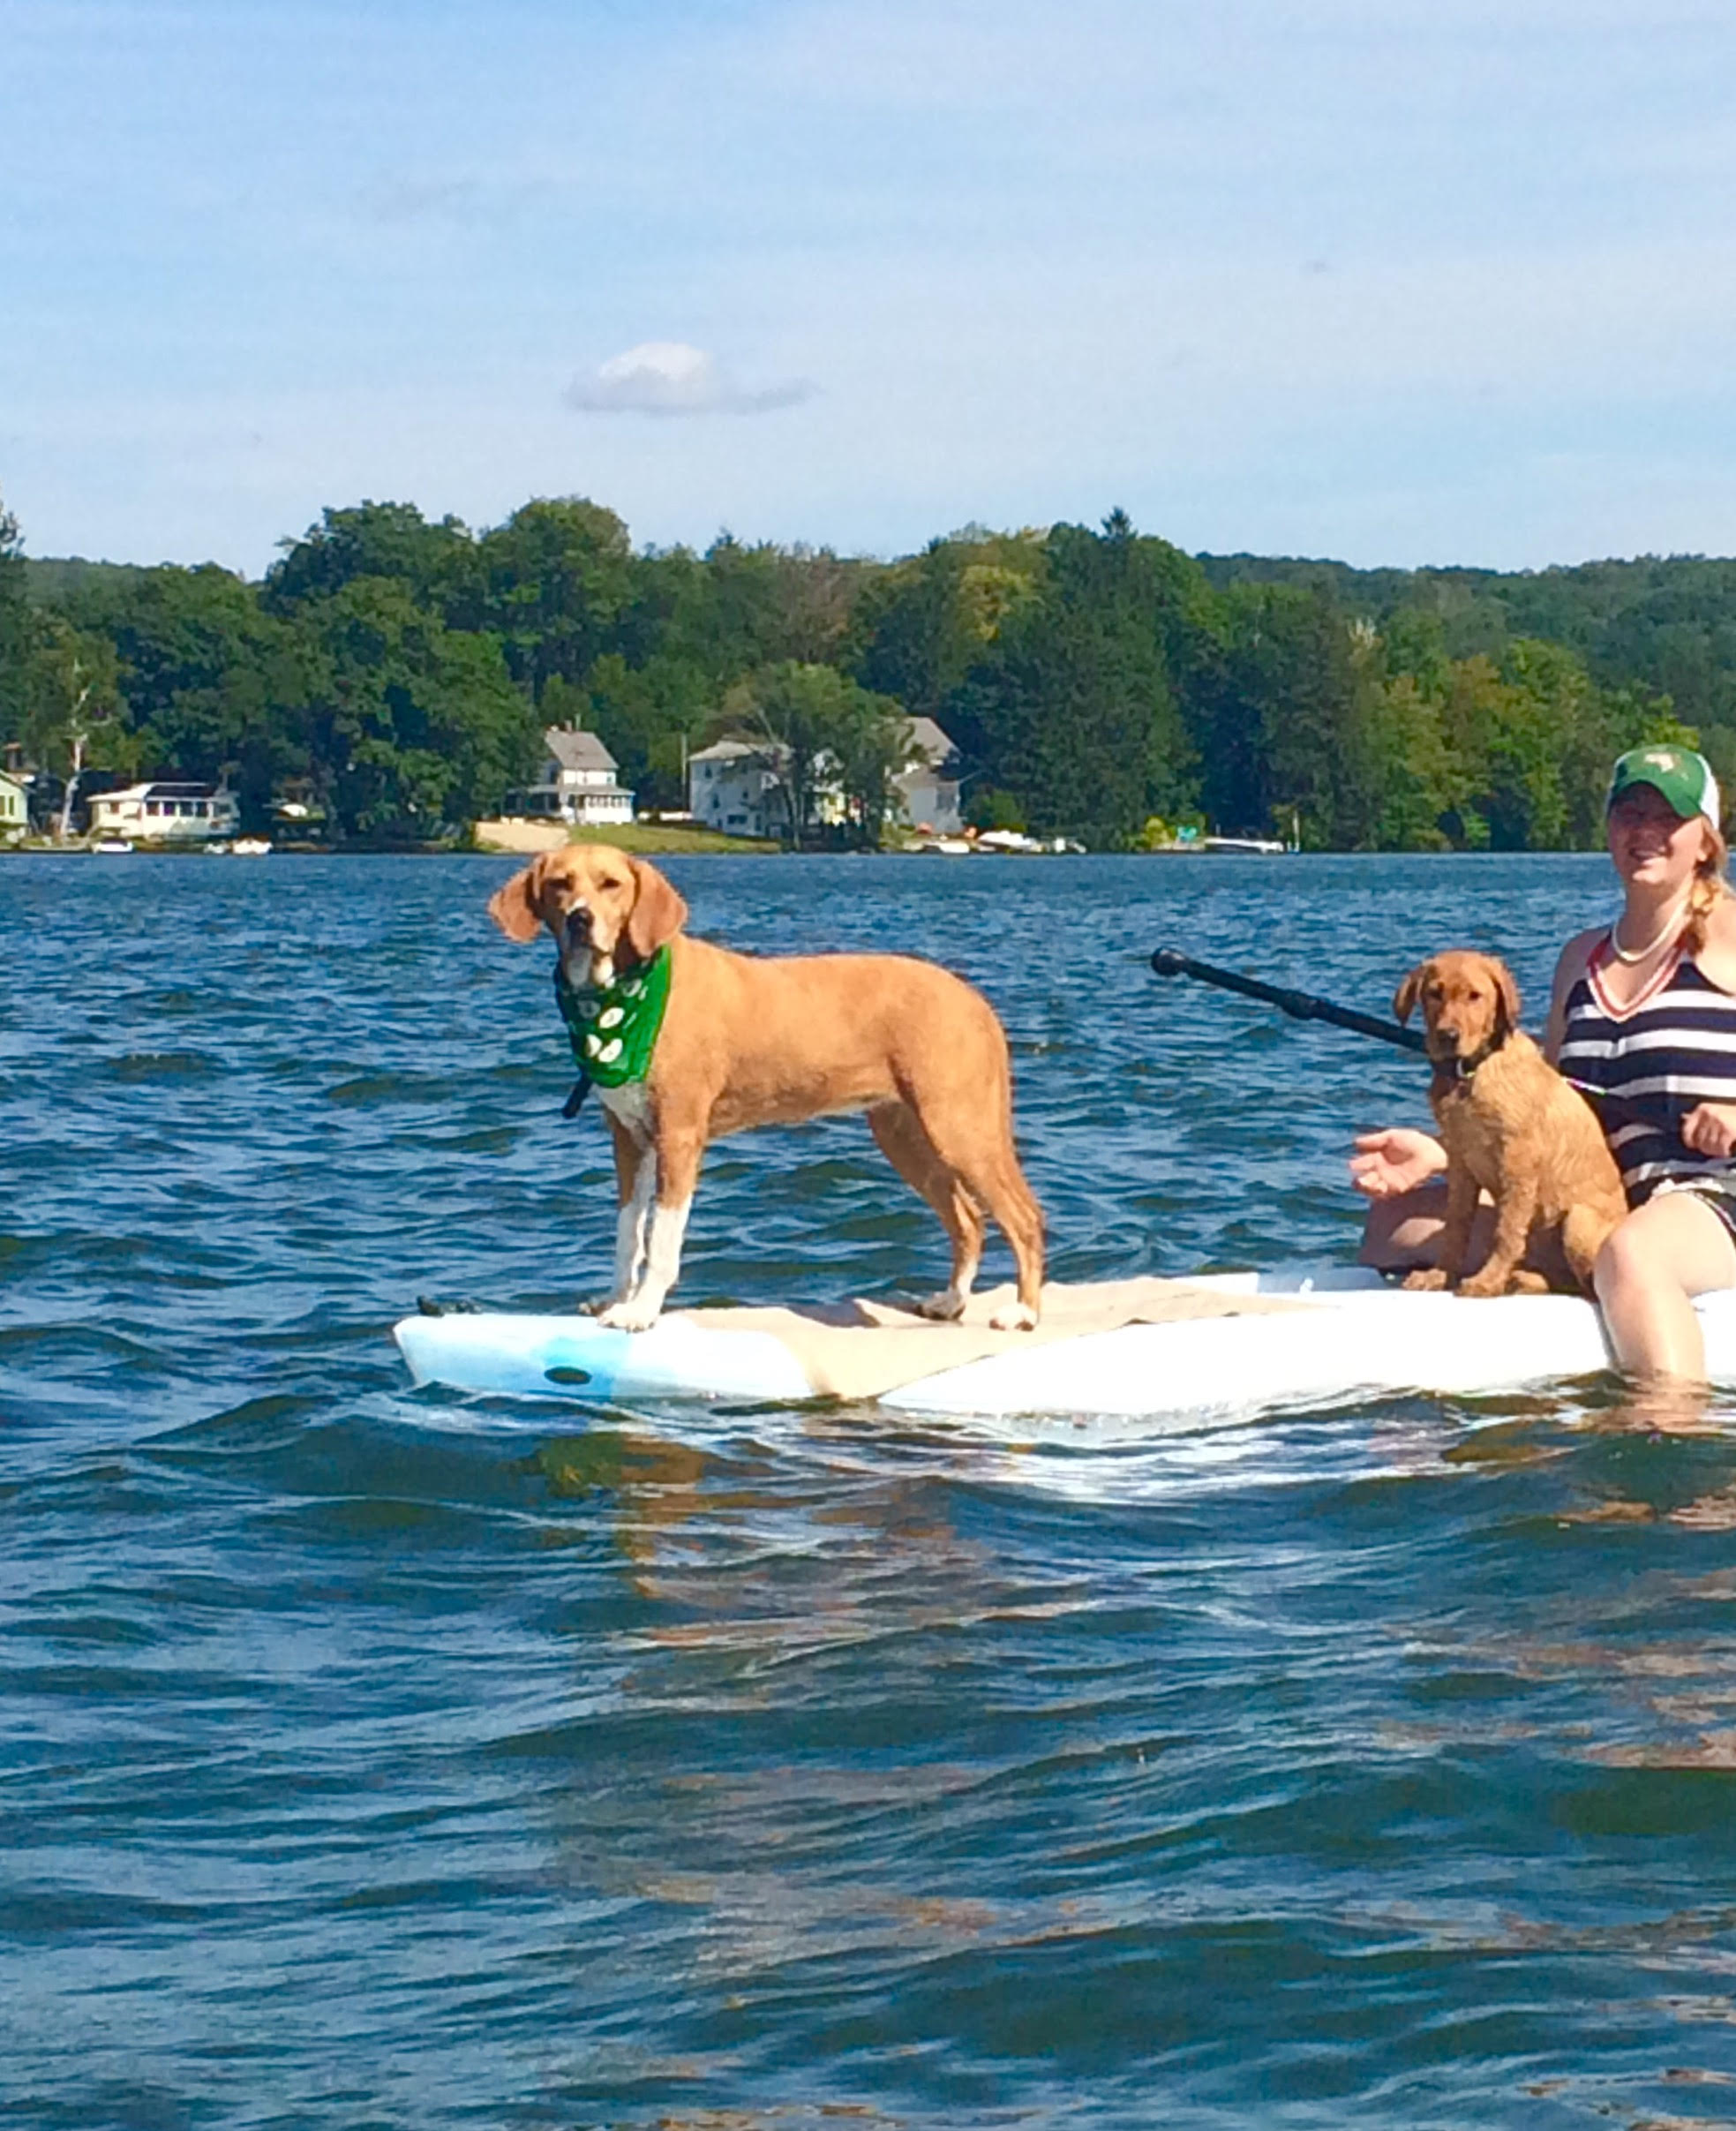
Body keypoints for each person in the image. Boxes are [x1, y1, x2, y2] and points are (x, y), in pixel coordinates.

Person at [1353, 745, 1736, 1383]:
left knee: (1630, 1251)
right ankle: (1553, 1285)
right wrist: (1448, 1152)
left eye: (1666, 817)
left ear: (1705, 843)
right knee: (1389, 1228)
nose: (1644, 832)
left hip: (1712, 1194)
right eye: (1627, 814)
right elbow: (1543, 1120)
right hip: (1603, 1198)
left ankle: (1671, 1436)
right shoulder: (1578, 962)